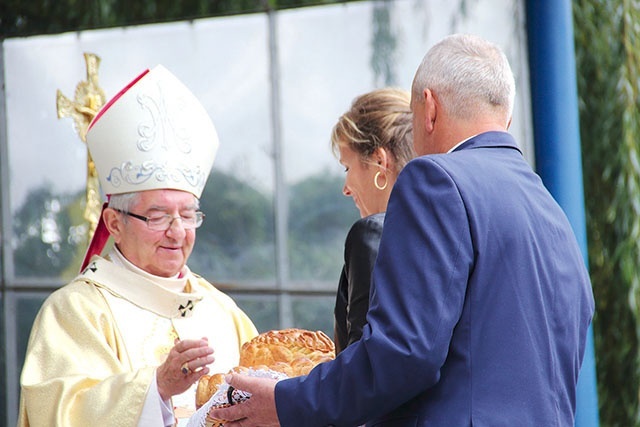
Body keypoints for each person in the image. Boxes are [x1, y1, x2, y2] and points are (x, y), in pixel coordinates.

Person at [210, 33, 595, 426]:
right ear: (506, 118)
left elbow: (404, 352)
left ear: (428, 108)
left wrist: (287, 402)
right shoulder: (552, 212)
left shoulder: (436, 179)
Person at [18, 65, 258, 427]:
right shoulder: (74, 313)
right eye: (158, 216)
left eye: (189, 215)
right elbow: (56, 414)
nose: (178, 233)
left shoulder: (225, 313)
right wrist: (155, 388)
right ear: (115, 223)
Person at [330, 88, 414, 354]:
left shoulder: (374, 233)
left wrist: (289, 392)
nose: (345, 188)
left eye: (347, 167)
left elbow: (363, 367)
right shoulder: (447, 230)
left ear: (379, 161)